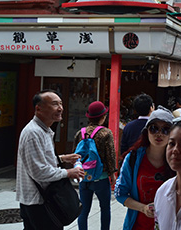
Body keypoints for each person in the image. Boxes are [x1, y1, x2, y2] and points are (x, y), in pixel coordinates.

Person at [16, 90, 84, 230]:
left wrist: (61, 158)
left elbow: (37, 159)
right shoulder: (33, 133)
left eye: (60, 104)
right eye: (54, 104)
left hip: (43, 199)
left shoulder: (44, 130)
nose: (60, 108)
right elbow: (39, 172)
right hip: (38, 201)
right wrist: (69, 172)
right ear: (38, 108)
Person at [115, 106, 175, 230]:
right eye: (154, 129)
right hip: (138, 225)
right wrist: (143, 208)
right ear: (146, 131)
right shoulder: (133, 158)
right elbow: (120, 193)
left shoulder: (177, 159)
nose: (159, 134)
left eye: (165, 130)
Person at [73, 101, 116, 230]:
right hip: (101, 178)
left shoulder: (79, 133)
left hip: (84, 177)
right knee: (105, 209)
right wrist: (112, 174)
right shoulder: (106, 133)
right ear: (103, 117)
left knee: (83, 210)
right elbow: (110, 156)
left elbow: (75, 156)